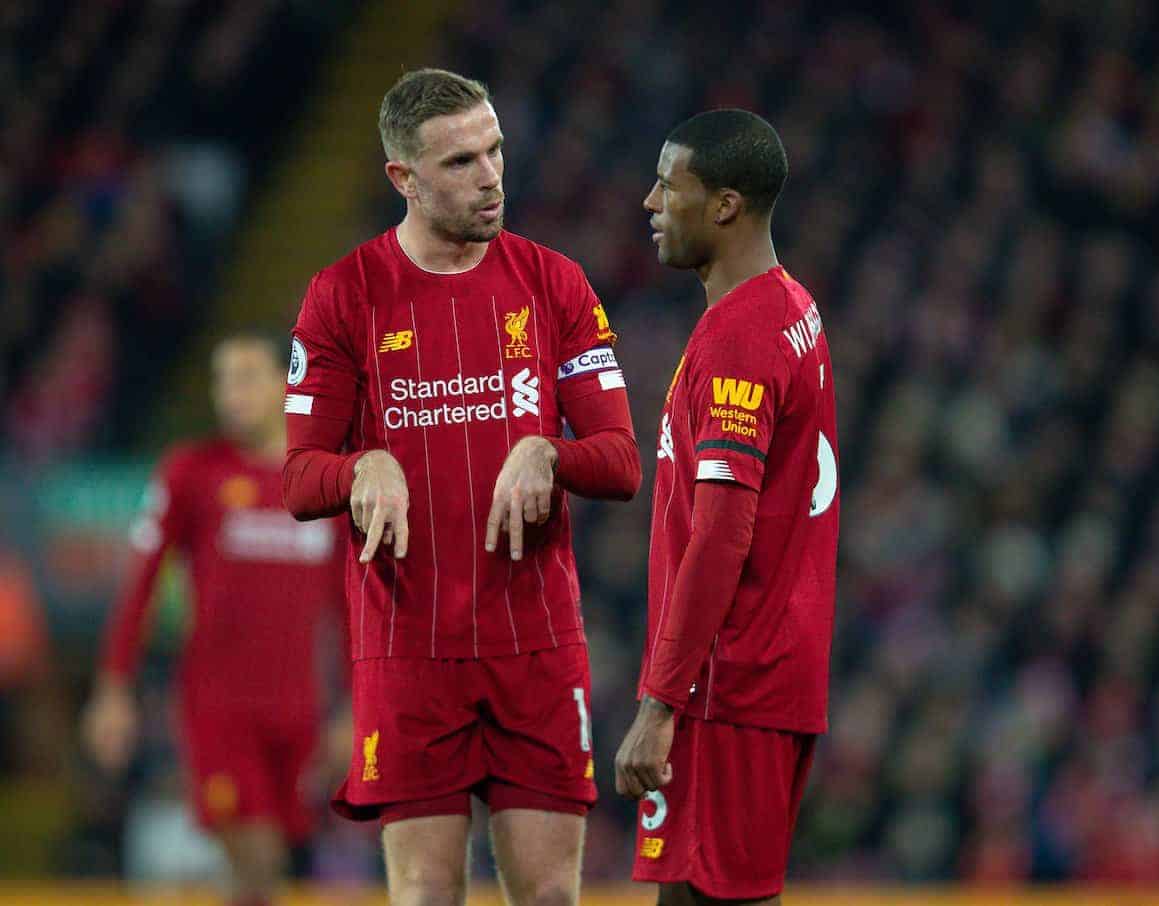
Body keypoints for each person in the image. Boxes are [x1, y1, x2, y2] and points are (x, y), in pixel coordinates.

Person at [281, 68, 640, 906]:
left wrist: (551, 453)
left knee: (550, 899)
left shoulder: (554, 284)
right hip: (409, 649)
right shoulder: (343, 297)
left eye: (496, 151)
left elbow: (621, 459)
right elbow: (300, 480)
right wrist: (360, 466)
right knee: (427, 898)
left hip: (537, 645)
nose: (490, 177)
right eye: (460, 163)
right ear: (402, 178)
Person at [614, 110, 841, 904]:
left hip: (730, 689)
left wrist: (659, 700)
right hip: (766, 679)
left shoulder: (739, 340)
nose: (649, 201)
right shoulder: (791, 308)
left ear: (723, 205)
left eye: (668, 185)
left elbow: (720, 535)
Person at [82, 332, 349, 906]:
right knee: (254, 860)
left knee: (270, 870)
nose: (231, 394)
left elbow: (350, 609)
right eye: (222, 379)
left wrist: (355, 707)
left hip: (299, 712)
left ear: (287, 383)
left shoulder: (325, 485)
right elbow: (141, 586)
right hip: (219, 709)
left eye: (247, 377)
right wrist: (113, 686)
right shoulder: (190, 473)